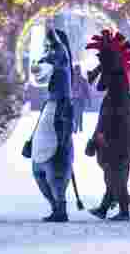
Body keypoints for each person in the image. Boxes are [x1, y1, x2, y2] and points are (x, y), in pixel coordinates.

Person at [84, 29, 130, 221]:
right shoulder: (118, 85)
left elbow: (115, 116)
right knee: (112, 175)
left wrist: (102, 134)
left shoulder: (118, 88)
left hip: (117, 140)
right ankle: (105, 208)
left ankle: (123, 210)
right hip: (116, 138)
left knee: (115, 175)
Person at [30, 27, 75, 222]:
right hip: (53, 106)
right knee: (40, 167)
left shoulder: (61, 55)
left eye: (50, 46)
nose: (47, 49)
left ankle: (60, 208)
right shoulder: (56, 58)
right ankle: (56, 207)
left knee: (54, 165)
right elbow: (41, 72)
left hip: (60, 109)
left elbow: (55, 55)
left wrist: (51, 41)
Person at [70, 63, 91, 133]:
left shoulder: (83, 80)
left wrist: (89, 100)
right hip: (75, 99)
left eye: (78, 70)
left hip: (81, 99)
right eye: (76, 70)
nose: (77, 71)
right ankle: (76, 128)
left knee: (79, 113)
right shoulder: (72, 80)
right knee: (76, 113)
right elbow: (70, 90)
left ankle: (79, 127)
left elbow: (87, 91)